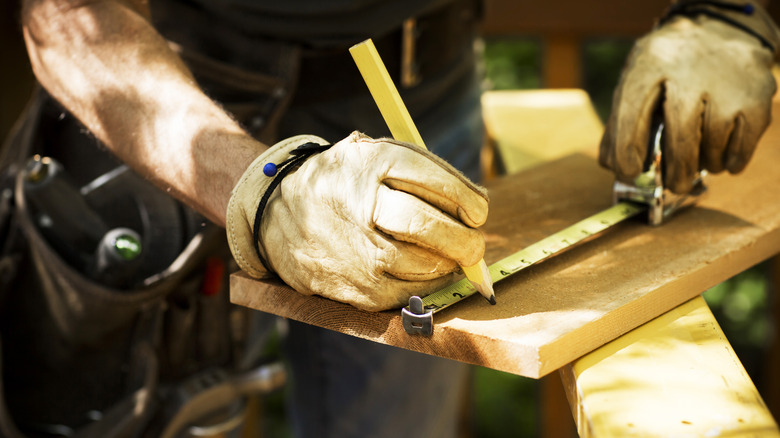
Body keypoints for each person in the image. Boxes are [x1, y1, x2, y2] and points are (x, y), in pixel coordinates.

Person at [0, 0, 777, 437]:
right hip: (168, 115)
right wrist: (263, 188)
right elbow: (71, 18)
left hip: (426, 95)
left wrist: (725, 11)